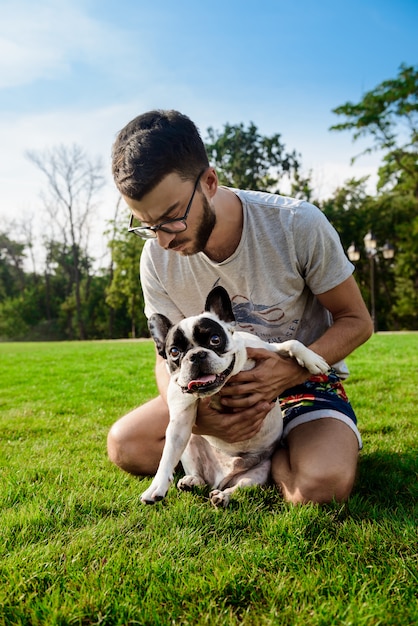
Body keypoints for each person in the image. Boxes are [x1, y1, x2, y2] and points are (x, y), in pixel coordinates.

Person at [107, 109, 373, 505]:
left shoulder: (296, 224)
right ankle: (255, 455)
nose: (162, 240)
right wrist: (198, 413)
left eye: (171, 219)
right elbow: (165, 357)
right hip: (214, 391)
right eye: (146, 224)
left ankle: (283, 450)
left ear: (209, 181)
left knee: (321, 486)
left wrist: (284, 374)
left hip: (303, 385)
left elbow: (357, 322)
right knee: (127, 445)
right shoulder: (155, 258)